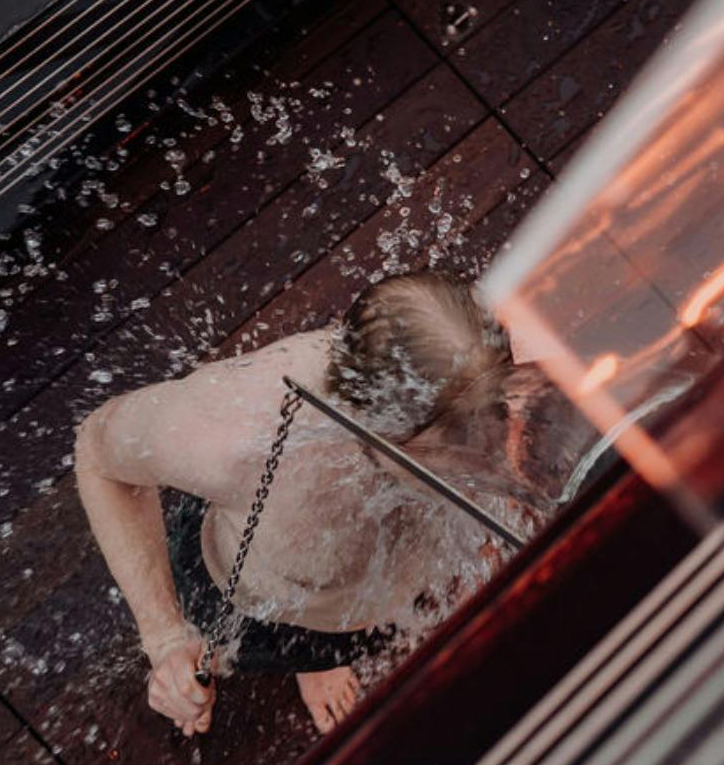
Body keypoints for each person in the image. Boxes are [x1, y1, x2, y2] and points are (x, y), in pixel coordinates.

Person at [73, 270, 516, 735]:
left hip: (386, 593)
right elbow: (96, 455)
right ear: (374, 427)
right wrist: (165, 638)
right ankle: (312, 665)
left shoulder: (483, 356)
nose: (491, 455)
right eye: (455, 446)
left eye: (500, 410)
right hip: (269, 609)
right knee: (284, 641)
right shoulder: (235, 440)